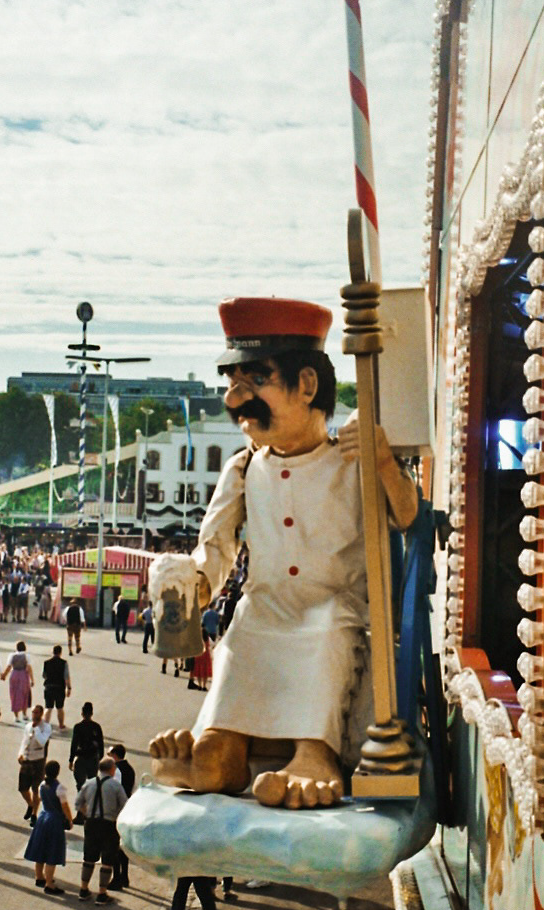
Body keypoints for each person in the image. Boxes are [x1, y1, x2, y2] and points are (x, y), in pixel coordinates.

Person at [150, 296, 417, 810]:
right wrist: (193, 586)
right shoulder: (243, 469)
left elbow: (407, 518)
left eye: (255, 381)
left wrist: (384, 462)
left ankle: (314, 757)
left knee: (325, 638)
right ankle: (216, 757)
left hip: (333, 610)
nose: (236, 398)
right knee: (239, 645)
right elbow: (215, 548)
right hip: (262, 613)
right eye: (232, 383)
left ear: (307, 385)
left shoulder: (352, 461)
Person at [74, 757, 128, 905]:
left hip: (91, 823)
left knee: (89, 858)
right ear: (112, 769)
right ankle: (102, 893)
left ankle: (83, 889)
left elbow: (78, 803)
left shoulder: (89, 783)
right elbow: (124, 805)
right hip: (109, 824)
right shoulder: (116, 786)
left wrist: (87, 813)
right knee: (107, 860)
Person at [24, 759, 73, 893]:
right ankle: (49, 883)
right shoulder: (59, 788)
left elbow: (39, 799)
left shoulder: (42, 785)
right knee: (52, 852)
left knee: (41, 848)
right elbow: (64, 806)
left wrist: (35, 813)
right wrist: (70, 819)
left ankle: (39, 876)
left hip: (43, 817)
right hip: (54, 820)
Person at [18, 705, 53, 822]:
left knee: (36, 789)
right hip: (27, 759)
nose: (34, 715)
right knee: (22, 788)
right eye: (33, 712)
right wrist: (20, 753)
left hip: (38, 761)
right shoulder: (28, 726)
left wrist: (36, 729)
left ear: (41, 714)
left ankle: (34, 814)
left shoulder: (46, 727)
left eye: (36, 713)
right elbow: (24, 741)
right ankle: (30, 804)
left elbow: (42, 741)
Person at [108, 744, 135, 891]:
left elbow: (115, 790)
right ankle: (124, 876)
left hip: (117, 810)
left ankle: (117, 877)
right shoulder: (129, 769)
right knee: (122, 845)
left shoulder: (116, 770)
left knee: (114, 845)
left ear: (115, 755)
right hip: (127, 808)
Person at [69, 701, 104, 794]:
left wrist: (71, 760)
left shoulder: (78, 727)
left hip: (81, 758)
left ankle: (81, 800)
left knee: (80, 784)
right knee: (92, 783)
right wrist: (100, 758)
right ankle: (90, 800)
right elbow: (101, 744)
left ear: (82, 713)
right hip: (93, 758)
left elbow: (74, 744)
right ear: (92, 713)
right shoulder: (96, 727)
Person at [2, 639, 34, 723]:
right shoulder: (27, 656)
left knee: (14, 694)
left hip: (14, 674)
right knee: (24, 694)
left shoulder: (12, 655)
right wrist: (32, 679)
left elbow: (9, 666)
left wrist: (4, 675)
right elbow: (29, 668)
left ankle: (16, 716)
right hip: (23, 674)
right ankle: (24, 714)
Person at [42, 645, 71, 732]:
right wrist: (69, 688)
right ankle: (61, 725)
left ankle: (45, 726)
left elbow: (44, 675)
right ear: (60, 653)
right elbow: (66, 677)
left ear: (52, 652)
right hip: (59, 687)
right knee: (60, 708)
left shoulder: (46, 663)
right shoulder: (64, 663)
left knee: (48, 708)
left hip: (49, 687)